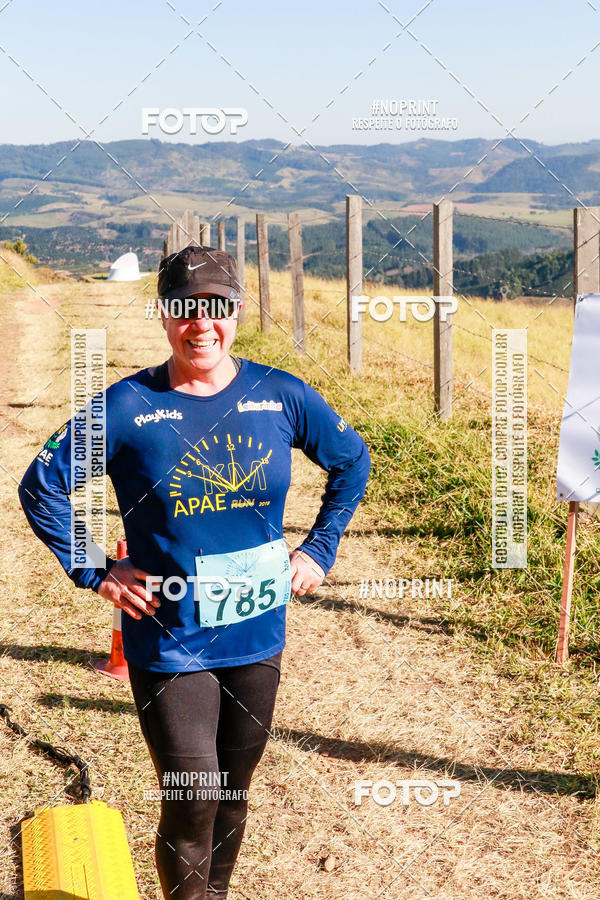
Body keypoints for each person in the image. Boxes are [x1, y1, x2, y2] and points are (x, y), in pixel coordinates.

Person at [18, 244, 371, 899]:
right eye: (185, 309)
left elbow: (352, 460)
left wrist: (319, 548)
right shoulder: (126, 407)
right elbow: (42, 484)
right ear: (162, 314)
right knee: (194, 800)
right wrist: (95, 569)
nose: (200, 324)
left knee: (233, 797)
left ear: (235, 310)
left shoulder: (281, 395)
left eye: (216, 308)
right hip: (170, 639)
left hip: (257, 633)